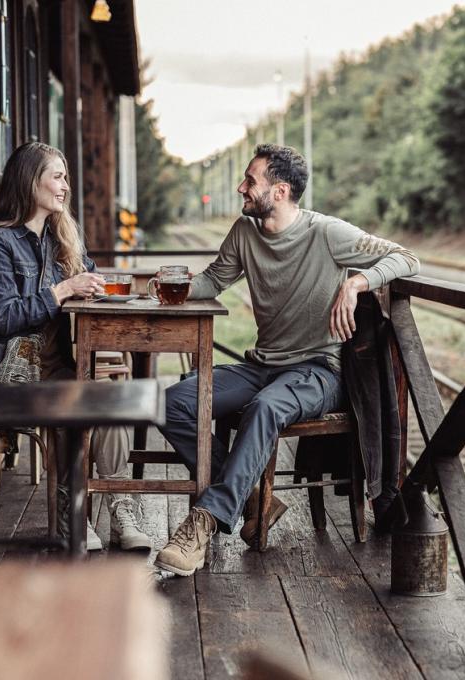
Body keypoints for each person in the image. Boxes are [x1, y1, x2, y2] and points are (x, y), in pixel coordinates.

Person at [155, 144, 420, 576]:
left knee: (265, 409)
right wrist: (170, 285)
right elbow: (213, 280)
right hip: (262, 365)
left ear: (279, 191)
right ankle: (256, 497)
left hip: (318, 371)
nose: (241, 188)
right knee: (172, 403)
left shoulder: (328, 233)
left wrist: (356, 283)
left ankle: (202, 523)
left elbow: (408, 257)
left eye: (250, 180)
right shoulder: (245, 232)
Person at [0, 141, 151, 552]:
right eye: (58, 176)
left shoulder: (60, 237)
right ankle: (75, 516)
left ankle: (121, 508)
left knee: (110, 396)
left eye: (65, 176)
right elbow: (4, 318)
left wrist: (95, 287)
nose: (65, 186)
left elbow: (91, 276)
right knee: (75, 399)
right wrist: (63, 289)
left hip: (55, 366)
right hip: (11, 370)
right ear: (30, 180)